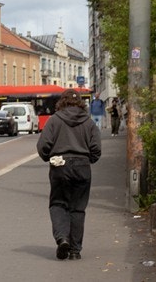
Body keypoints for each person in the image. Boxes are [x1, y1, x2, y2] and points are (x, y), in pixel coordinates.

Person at [36, 89, 101, 261]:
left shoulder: (54, 120)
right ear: (80, 102)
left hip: (60, 166)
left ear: (61, 102)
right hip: (82, 166)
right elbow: (96, 149)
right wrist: (88, 160)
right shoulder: (89, 122)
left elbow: (43, 145)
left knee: (58, 204)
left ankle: (62, 238)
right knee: (78, 208)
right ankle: (75, 250)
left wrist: (48, 157)